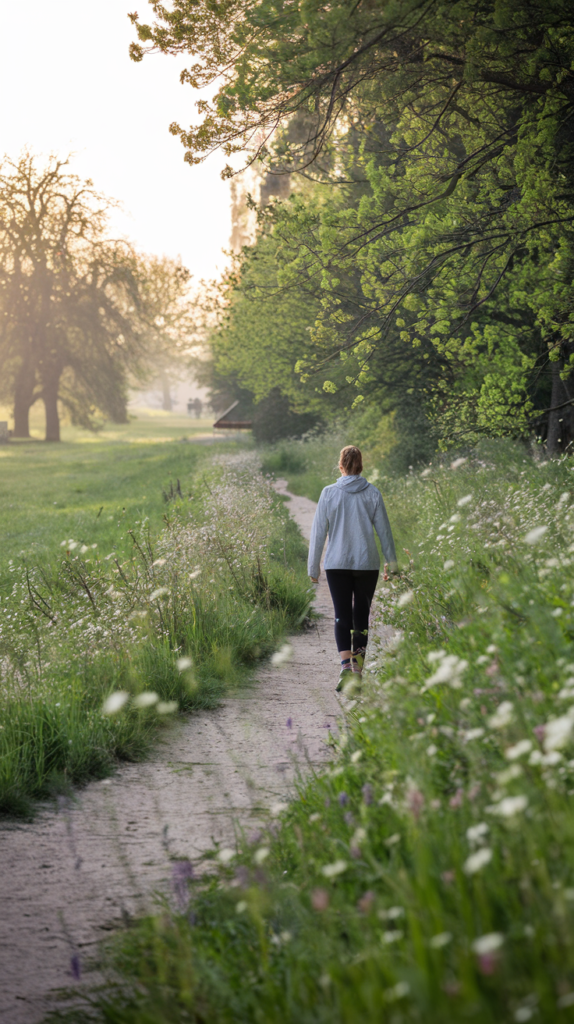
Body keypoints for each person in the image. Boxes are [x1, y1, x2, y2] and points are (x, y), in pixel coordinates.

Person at [308, 445, 398, 690]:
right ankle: (357, 671)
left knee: (342, 616)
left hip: (337, 564)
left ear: (341, 465)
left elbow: (318, 533)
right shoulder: (373, 493)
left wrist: (313, 568)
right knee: (361, 617)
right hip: (367, 563)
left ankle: (345, 668)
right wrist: (393, 563)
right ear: (361, 465)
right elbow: (384, 533)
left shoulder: (328, 493)